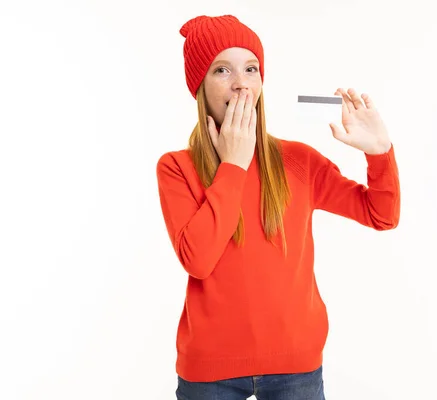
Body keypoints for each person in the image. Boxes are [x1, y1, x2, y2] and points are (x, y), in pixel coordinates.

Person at [156, 14, 401, 400]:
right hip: (208, 372)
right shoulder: (176, 167)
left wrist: (380, 154)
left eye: (250, 68)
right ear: (200, 86)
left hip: (296, 366)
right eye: (222, 69)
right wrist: (234, 165)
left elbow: (381, 215)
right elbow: (198, 260)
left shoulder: (298, 161)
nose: (240, 82)